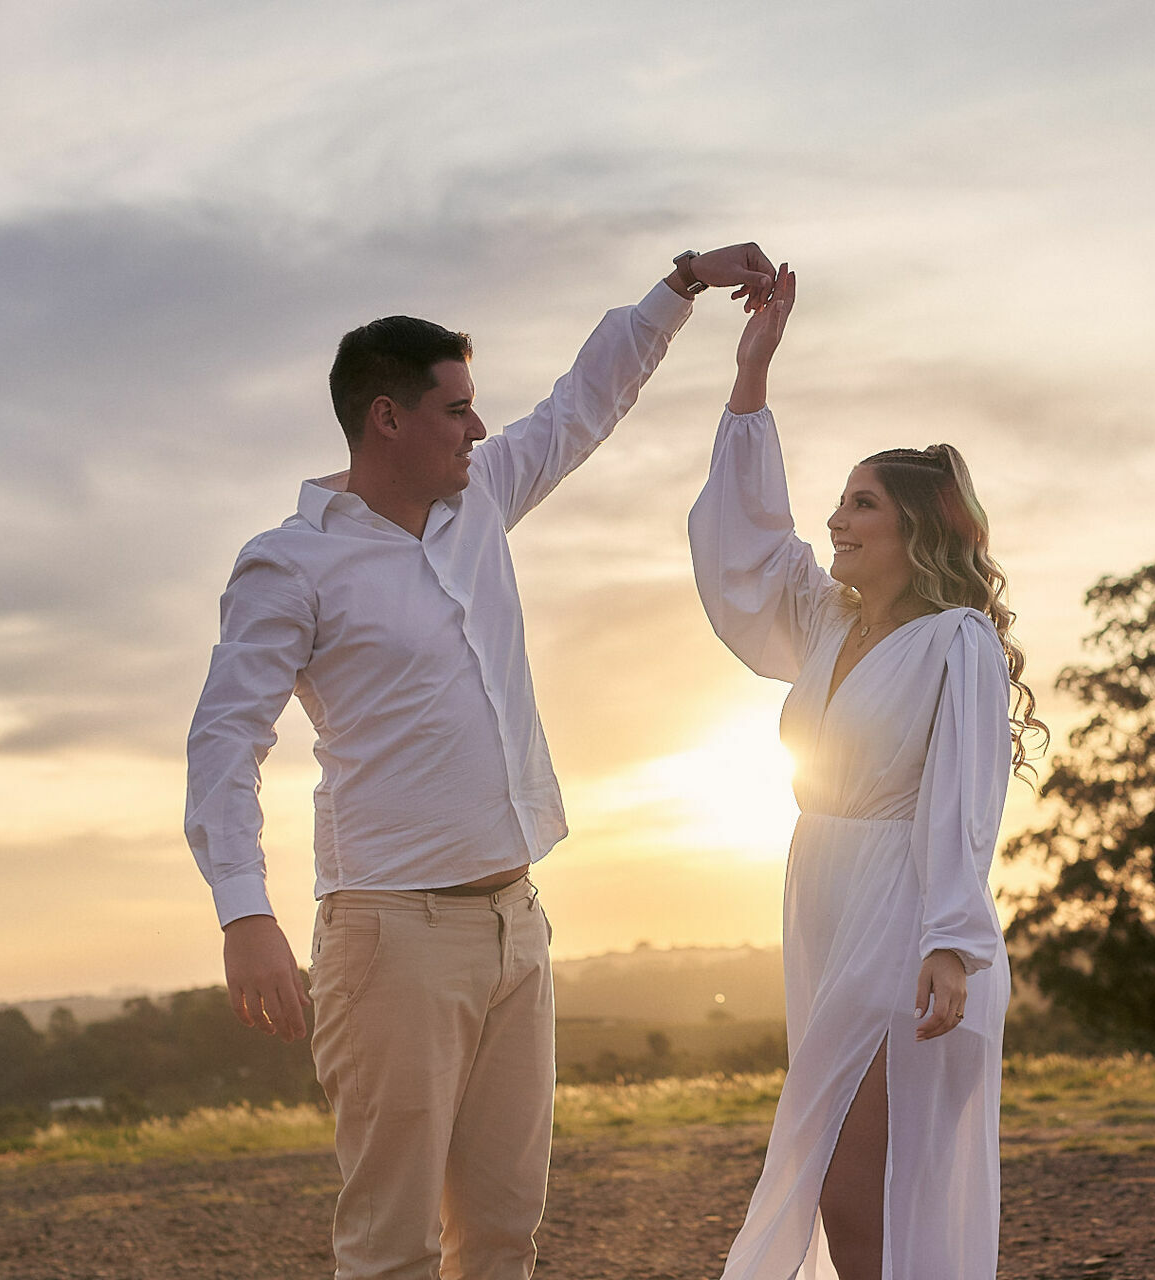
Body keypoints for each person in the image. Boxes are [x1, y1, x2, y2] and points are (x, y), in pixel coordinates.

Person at [183, 243, 774, 1280]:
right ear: (387, 418)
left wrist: (679, 286)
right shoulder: (291, 562)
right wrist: (244, 911)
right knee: (393, 1248)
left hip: (517, 920)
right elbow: (225, 741)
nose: (478, 426)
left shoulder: (481, 501)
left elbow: (581, 405)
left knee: (502, 1238)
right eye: (456, 407)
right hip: (388, 938)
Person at [688, 265, 1045, 1280]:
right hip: (820, 895)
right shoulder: (826, 620)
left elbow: (966, 804)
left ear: (915, 530)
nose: (837, 519)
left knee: (849, 1179)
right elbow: (745, 548)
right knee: (847, 1169)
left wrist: (950, 941)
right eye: (840, 499)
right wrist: (752, 371)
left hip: (904, 906)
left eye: (862, 503)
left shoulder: (956, 641)